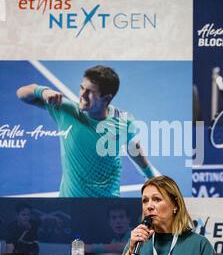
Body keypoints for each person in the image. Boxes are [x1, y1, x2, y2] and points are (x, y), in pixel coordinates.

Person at [16, 65, 159, 197]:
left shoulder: (124, 120)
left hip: (108, 204)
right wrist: (43, 91)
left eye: (90, 92)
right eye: (82, 88)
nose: (82, 95)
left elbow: (133, 147)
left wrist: (151, 176)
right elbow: (22, 94)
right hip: (70, 202)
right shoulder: (66, 111)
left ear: (107, 98)